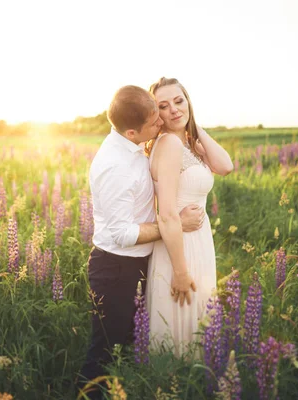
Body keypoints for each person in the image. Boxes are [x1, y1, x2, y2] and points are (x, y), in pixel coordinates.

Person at [77, 85, 205, 399]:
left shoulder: (135, 146)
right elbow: (123, 233)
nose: (161, 122)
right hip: (115, 268)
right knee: (105, 351)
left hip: (141, 262)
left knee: (134, 344)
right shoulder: (115, 167)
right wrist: (174, 226)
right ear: (133, 131)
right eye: (154, 122)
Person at [145, 77, 234, 357]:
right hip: (179, 248)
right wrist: (180, 273)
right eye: (163, 105)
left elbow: (225, 166)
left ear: (188, 101)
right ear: (155, 113)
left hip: (197, 242)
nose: (173, 109)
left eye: (179, 101)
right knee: (180, 334)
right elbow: (167, 213)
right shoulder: (170, 144)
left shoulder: (186, 144)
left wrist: (193, 126)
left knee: (196, 325)